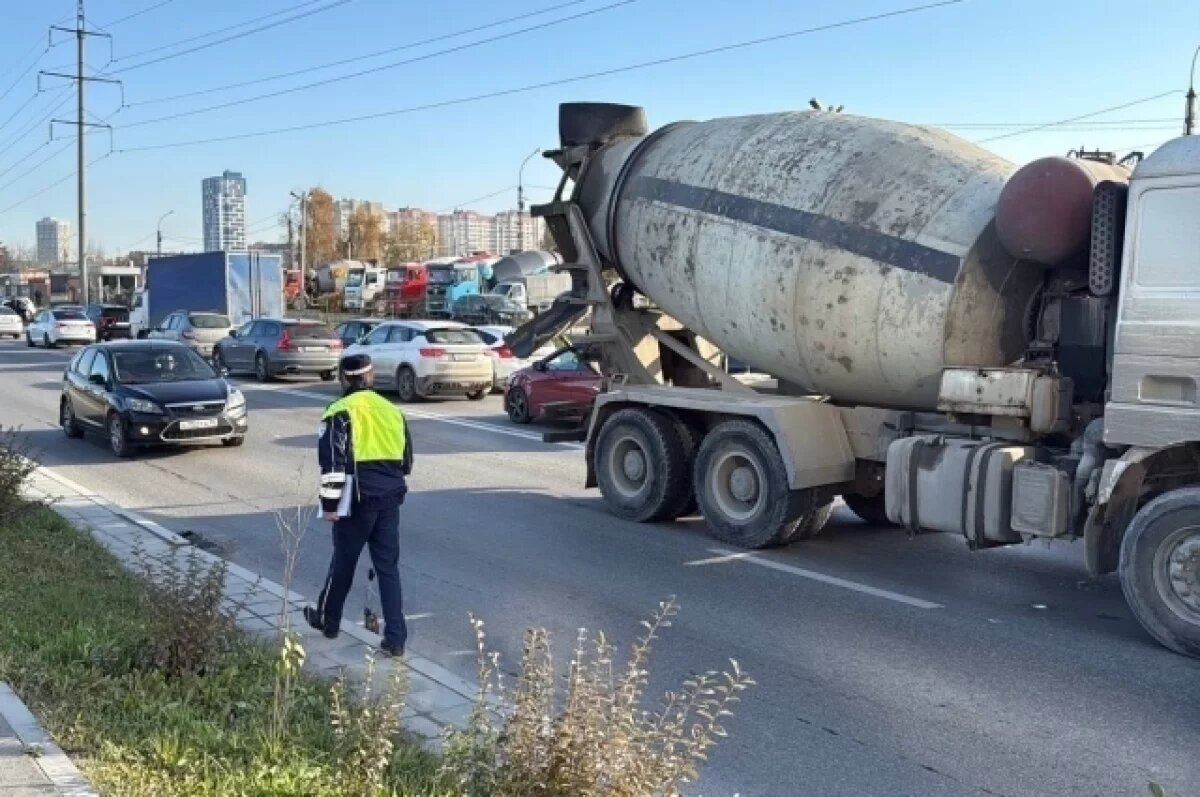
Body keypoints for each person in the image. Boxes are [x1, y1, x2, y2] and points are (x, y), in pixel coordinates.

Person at [304, 352, 412, 656]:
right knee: (388, 568)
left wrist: (330, 504)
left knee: (344, 562)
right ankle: (396, 639)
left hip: (357, 499)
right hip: (390, 498)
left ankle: (329, 620)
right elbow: (406, 462)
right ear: (371, 376)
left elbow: (333, 463)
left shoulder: (338, 411)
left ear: (342, 378)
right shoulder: (393, 411)